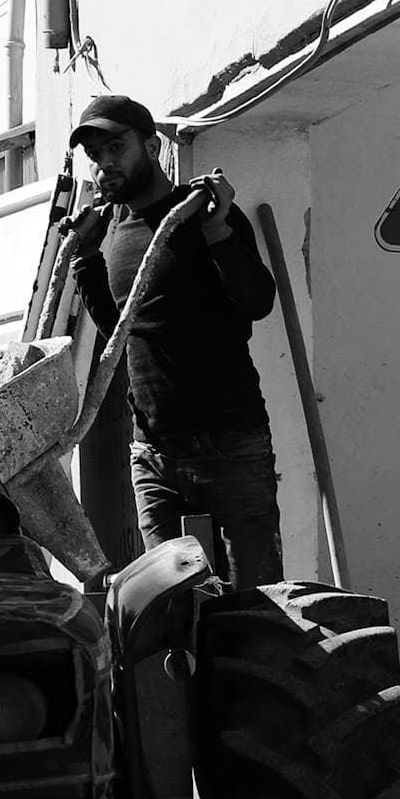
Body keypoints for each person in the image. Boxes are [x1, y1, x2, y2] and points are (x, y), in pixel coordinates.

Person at [67, 94, 283, 588]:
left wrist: (216, 228)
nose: (105, 166)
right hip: (154, 456)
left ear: (151, 144)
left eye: (115, 147)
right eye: (95, 156)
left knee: (254, 607)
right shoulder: (117, 232)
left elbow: (257, 302)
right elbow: (120, 333)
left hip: (228, 446)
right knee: (168, 614)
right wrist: (85, 256)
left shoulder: (198, 213)